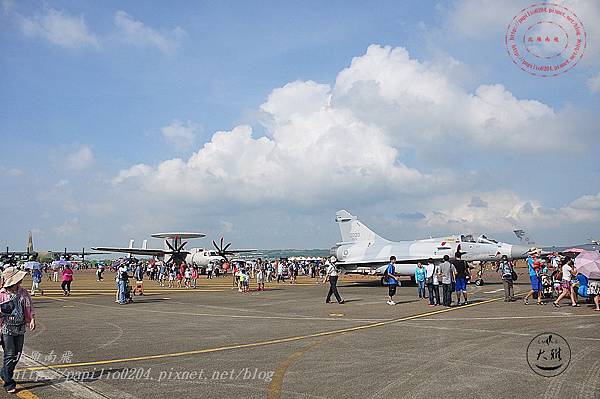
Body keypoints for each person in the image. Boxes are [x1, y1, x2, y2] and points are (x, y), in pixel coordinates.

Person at [0, 267, 36, 394]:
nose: (20, 281)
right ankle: (9, 383)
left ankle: (4, 373)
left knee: (17, 355)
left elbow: (29, 306)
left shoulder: (23, 293)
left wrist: (31, 319)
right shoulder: (1, 294)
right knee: (10, 354)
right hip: (6, 328)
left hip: (20, 327)